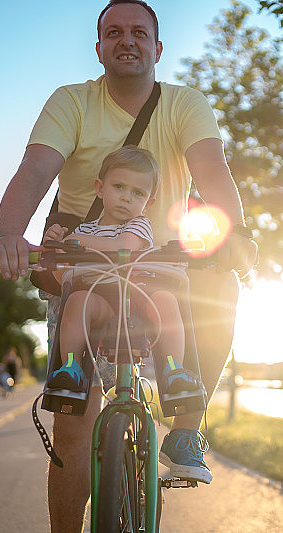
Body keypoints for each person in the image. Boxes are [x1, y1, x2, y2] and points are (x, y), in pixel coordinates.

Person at [0, 1, 256, 531]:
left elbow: (210, 167)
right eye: (113, 32)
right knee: (73, 431)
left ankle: (183, 426)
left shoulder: (184, 104)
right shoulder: (72, 102)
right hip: (85, 262)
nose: (125, 40)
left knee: (222, 287)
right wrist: (7, 233)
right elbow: (37, 168)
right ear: (100, 47)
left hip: (163, 267)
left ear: (157, 48)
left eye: (138, 32)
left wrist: (236, 231)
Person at [44, 145, 202, 399]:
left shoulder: (139, 224)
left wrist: (75, 242)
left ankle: (174, 369)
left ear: (148, 202)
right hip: (101, 300)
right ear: (100, 188)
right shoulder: (86, 230)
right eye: (118, 187)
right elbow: (62, 277)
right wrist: (59, 249)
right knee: (75, 299)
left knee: (165, 299)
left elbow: (122, 248)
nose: (126, 197)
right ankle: (70, 366)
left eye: (137, 193)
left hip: (138, 300)